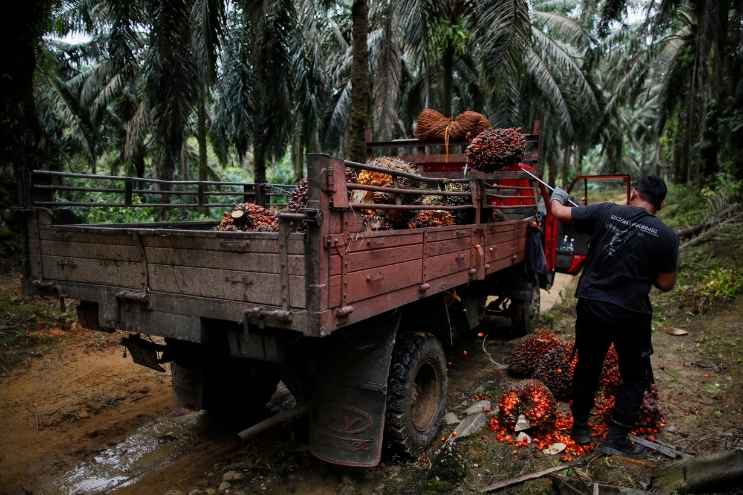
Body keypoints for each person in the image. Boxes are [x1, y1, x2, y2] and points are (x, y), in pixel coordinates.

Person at [549, 176, 679, 456]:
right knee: (635, 376)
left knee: (588, 365)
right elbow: (666, 284)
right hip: (632, 312)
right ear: (661, 204)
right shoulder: (667, 236)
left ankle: (580, 428)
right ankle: (616, 437)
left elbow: (559, 212)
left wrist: (556, 195)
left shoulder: (606, 211)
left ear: (633, 193)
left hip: (593, 304)